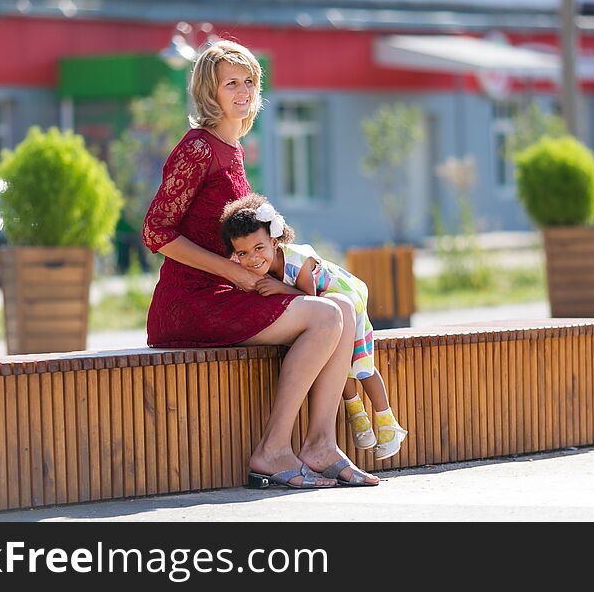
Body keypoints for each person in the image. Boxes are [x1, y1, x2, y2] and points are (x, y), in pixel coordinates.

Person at [142, 40, 378, 488]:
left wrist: (287, 277)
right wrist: (233, 272)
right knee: (326, 316)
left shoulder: (233, 151)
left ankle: (321, 445)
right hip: (191, 303)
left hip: (229, 296)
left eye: (249, 80)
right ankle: (272, 451)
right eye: (231, 82)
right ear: (209, 92)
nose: (244, 90)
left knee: (342, 308)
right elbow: (156, 231)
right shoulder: (198, 148)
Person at [220, 193, 408, 461]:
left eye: (259, 248)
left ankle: (389, 425)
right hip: (329, 311)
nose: (252, 258)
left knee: (361, 365)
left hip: (347, 300)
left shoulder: (299, 261)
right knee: (339, 366)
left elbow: (311, 300)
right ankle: (359, 418)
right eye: (243, 253)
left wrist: (279, 288)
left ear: (274, 243)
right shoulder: (258, 266)